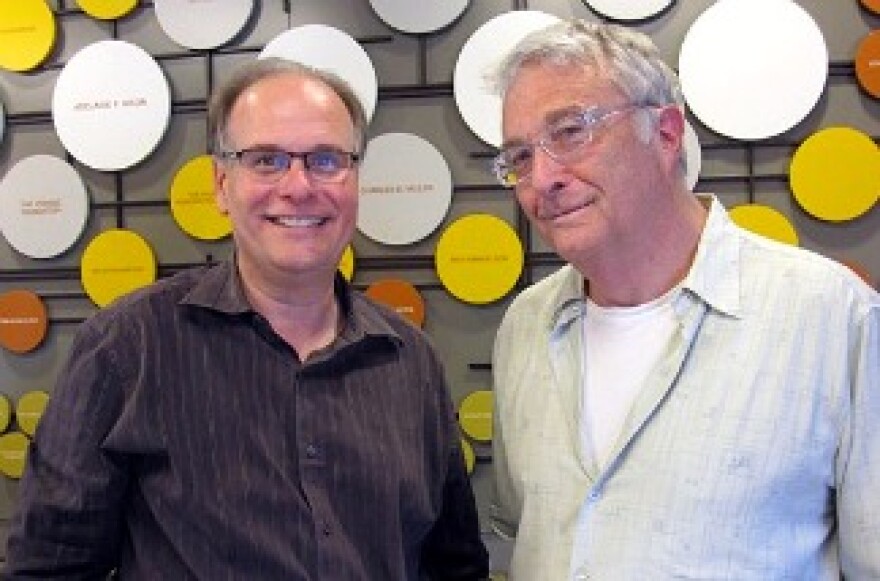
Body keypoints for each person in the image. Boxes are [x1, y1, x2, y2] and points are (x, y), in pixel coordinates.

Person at [4, 58, 489, 580]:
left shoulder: (410, 360)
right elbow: (48, 569)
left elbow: (454, 567)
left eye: (327, 160)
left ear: (355, 181)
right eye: (266, 160)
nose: (299, 186)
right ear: (220, 185)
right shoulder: (128, 347)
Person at [489, 19, 880, 580]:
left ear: (667, 134)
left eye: (571, 131)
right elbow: (520, 528)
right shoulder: (524, 326)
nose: (542, 177)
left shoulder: (831, 316)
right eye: (520, 157)